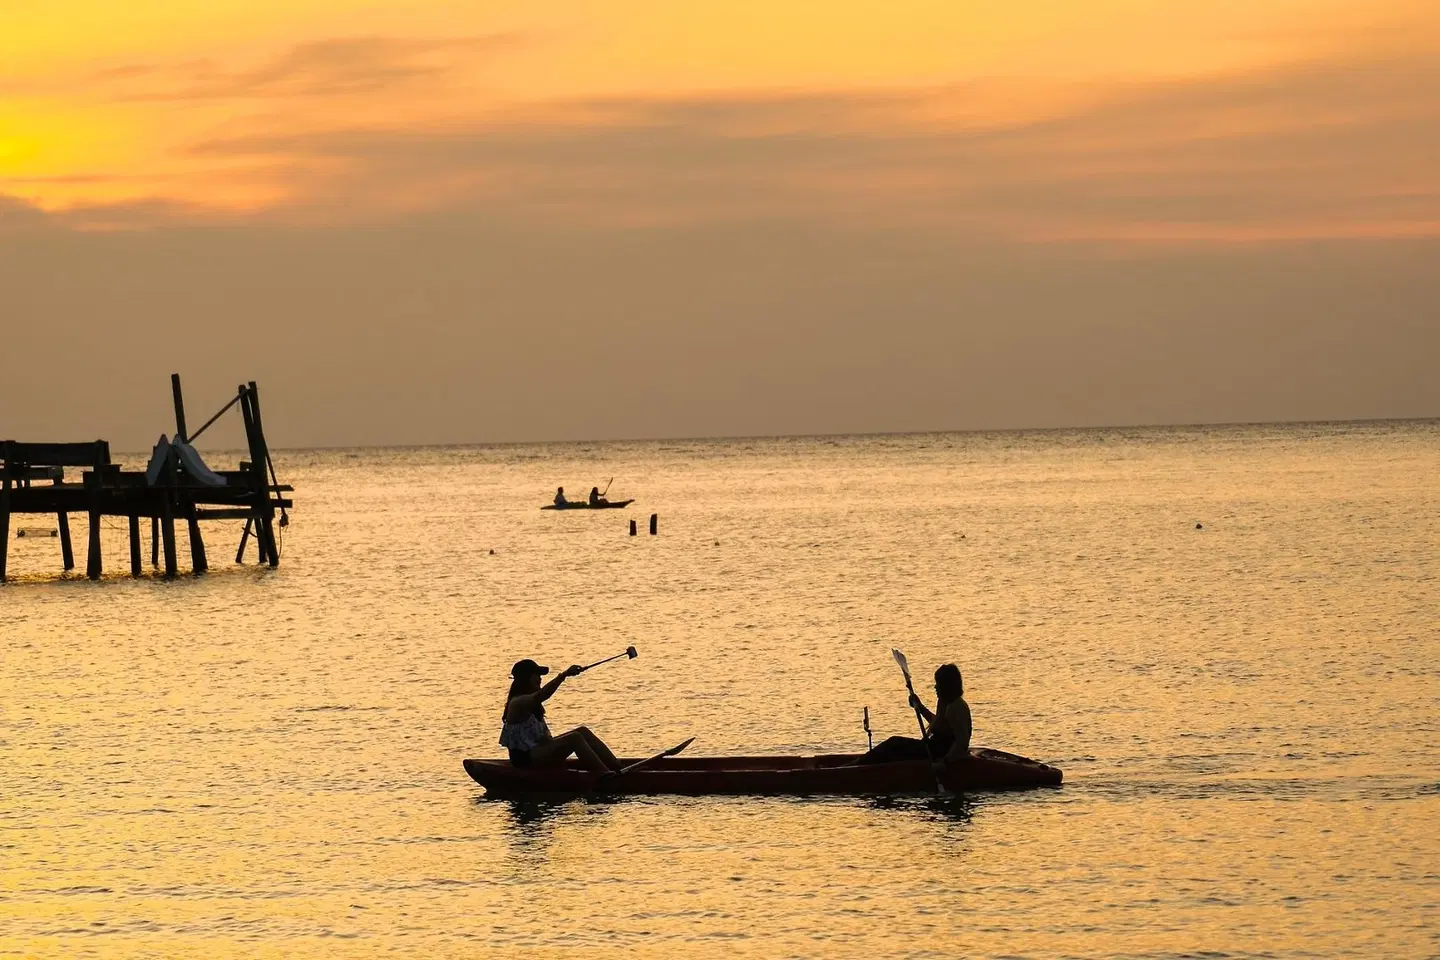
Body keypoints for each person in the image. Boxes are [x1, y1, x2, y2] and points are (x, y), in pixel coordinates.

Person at [499, 658, 623, 773]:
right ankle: (605, 775)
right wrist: (563, 675)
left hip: (539, 752)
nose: (540, 679)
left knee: (582, 731)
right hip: (526, 761)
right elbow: (541, 695)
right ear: (527, 678)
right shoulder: (517, 702)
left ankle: (617, 767)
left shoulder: (530, 701)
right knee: (575, 738)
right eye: (537, 675)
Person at [857, 662, 972, 766]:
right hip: (930, 748)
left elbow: (962, 741)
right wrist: (920, 707)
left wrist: (944, 762)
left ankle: (856, 766)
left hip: (936, 753)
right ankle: (857, 764)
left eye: (938, 684)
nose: (935, 687)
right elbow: (938, 724)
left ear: (947, 686)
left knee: (893, 743)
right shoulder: (943, 702)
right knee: (892, 747)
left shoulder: (956, 707)